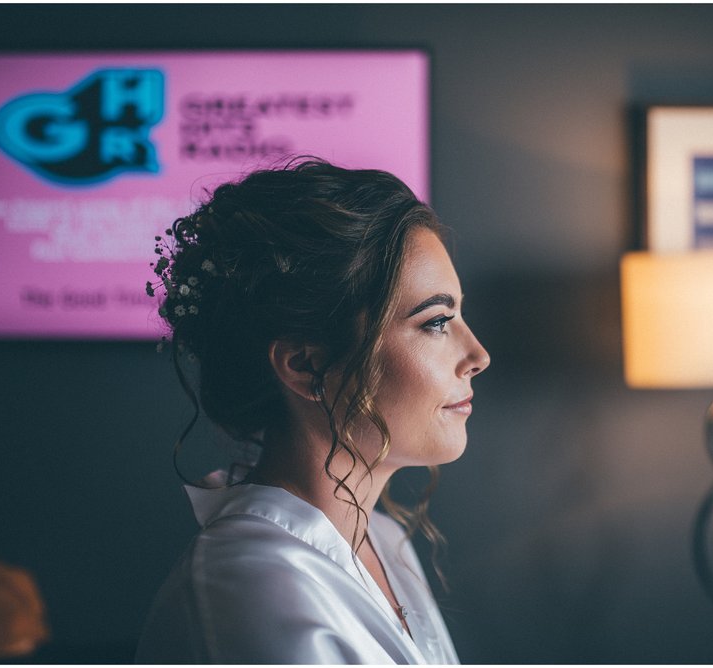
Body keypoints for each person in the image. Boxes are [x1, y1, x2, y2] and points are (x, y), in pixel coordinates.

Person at [135, 158, 490, 664]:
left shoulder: (384, 542)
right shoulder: (252, 585)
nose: (478, 355)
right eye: (435, 322)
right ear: (305, 366)